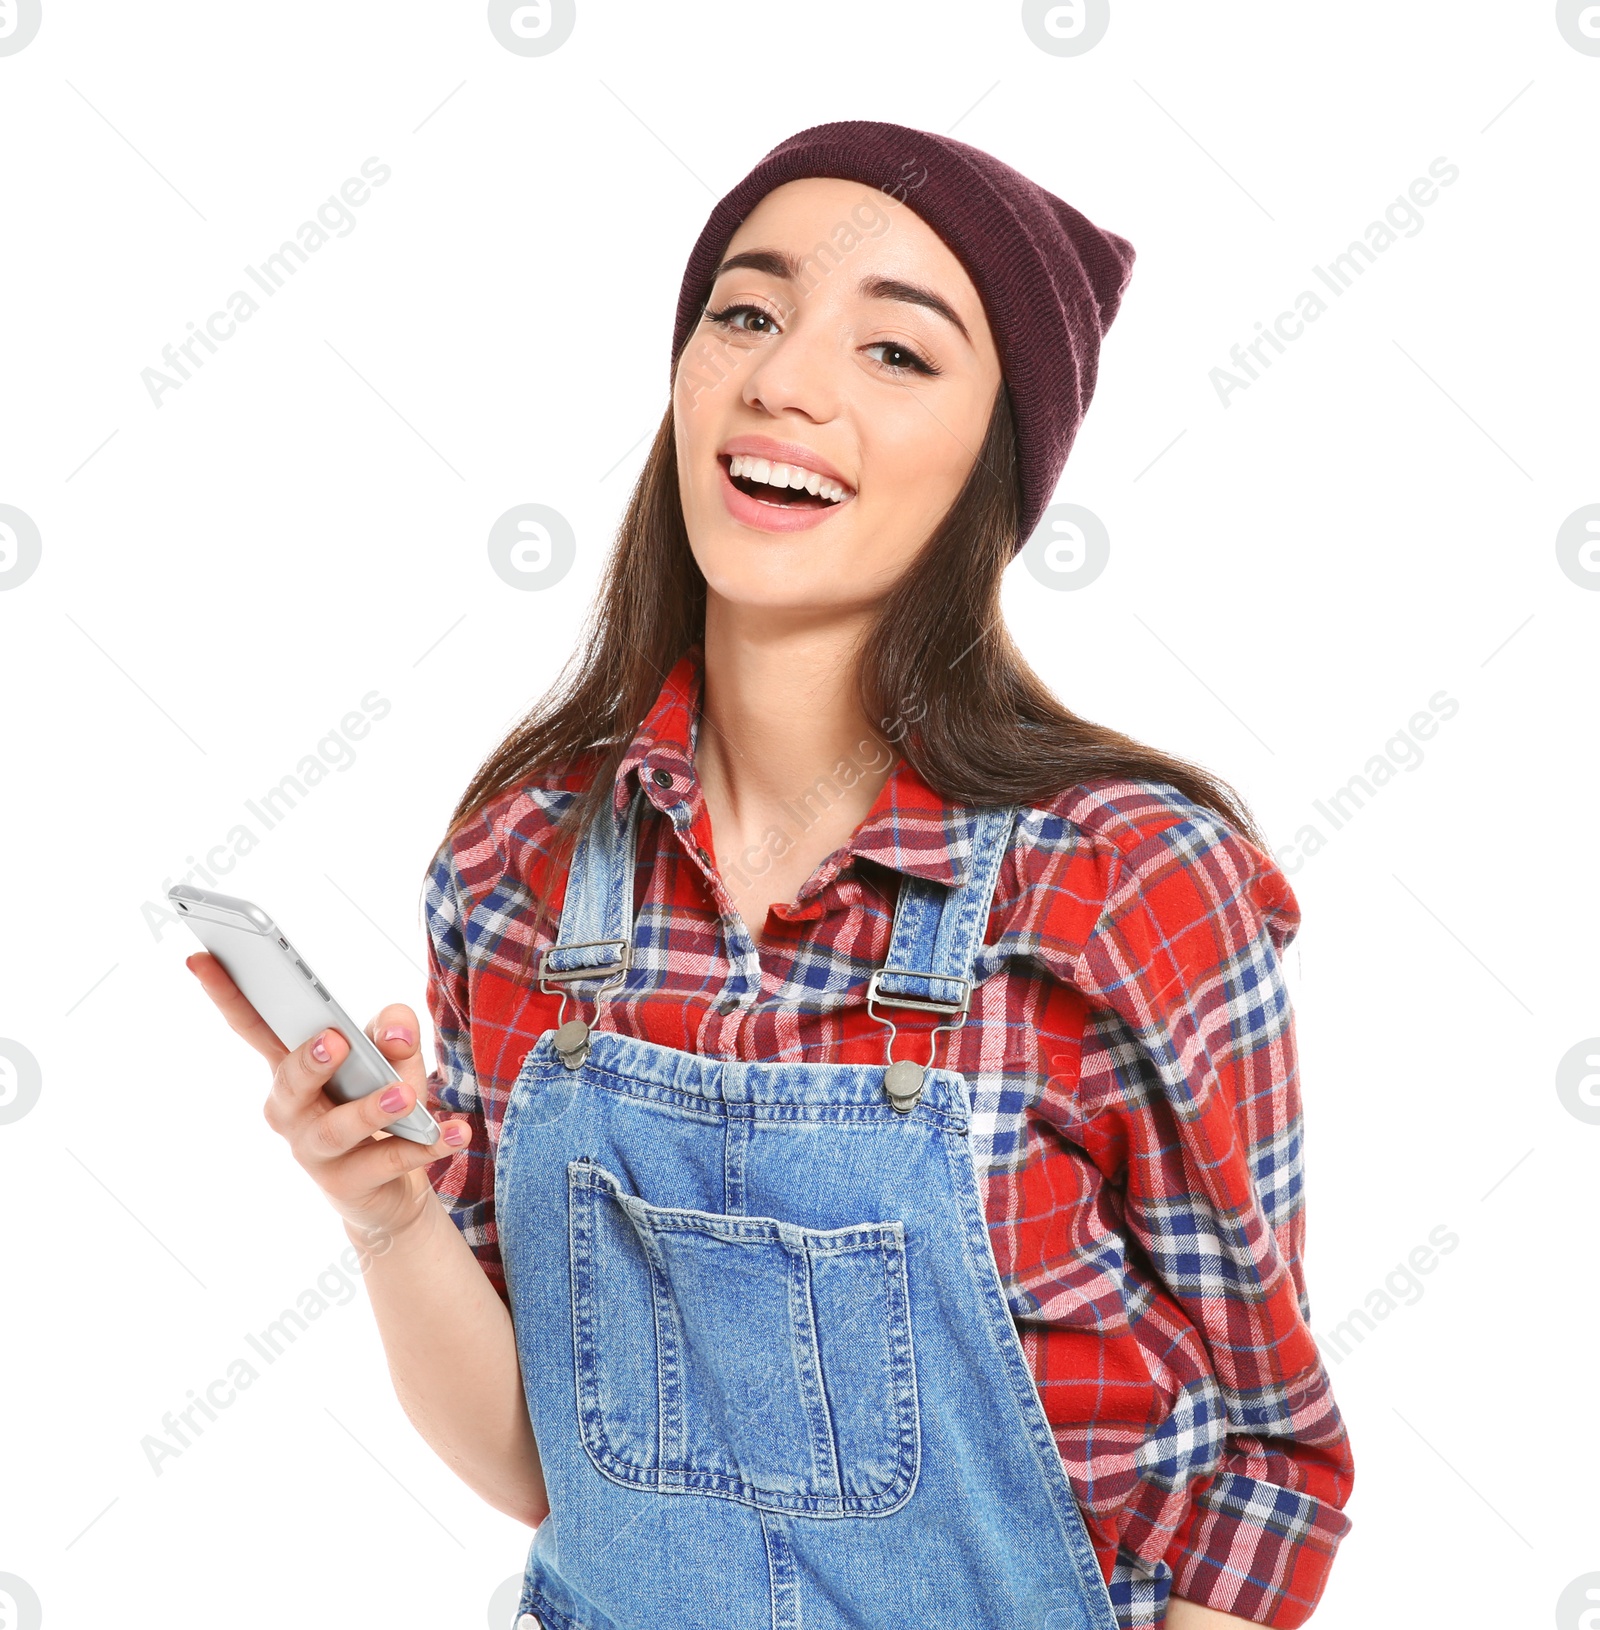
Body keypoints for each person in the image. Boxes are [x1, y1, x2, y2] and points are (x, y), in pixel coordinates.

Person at [188, 121, 1354, 1629]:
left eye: (897, 352)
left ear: (996, 466)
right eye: (747, 311)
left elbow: (1268, 1467)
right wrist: (388, 1214)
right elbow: (548, 1460)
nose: (785, 380)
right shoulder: (522, 863)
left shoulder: (1127, 878)